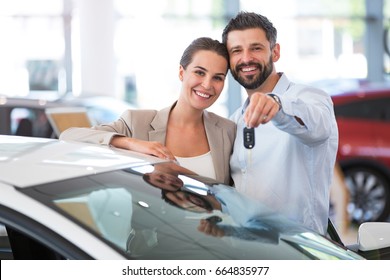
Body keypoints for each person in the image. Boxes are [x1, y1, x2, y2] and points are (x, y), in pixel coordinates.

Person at [222, 12, 339, 234]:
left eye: (256, 48)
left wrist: (277, 105)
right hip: (246, 250)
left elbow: (318, 126)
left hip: (298, 251)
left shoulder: (310, 98)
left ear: (275, 52)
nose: (246, 58)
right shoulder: (236, 120)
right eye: (236, 51)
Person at [60, 37, 236, 185]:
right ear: (182, 73)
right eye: (199, 72)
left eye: (217, 78)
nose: (207, 85)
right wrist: (132, 143)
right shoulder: (137, 123)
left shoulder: (227, 131)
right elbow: (69, 136)